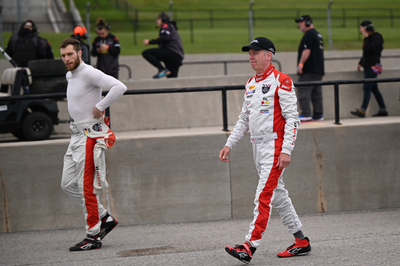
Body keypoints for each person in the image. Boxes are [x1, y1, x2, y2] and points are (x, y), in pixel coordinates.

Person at [219, 37, 310, 264]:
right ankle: (301, 241)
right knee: (278, 194)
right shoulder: (250, 83)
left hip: (275, 147)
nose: (251, 56)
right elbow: (244, 119)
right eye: (249, 53)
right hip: (256, 147)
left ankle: (249, 246)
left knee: (263, 196)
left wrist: (286, 150)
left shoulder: (283, 81)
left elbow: (292, 119)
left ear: (269, 55)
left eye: (255, 53)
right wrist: (229, 143)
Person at [60, 38, 127, 251]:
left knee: (85, 187)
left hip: (89, 134)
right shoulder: (70, 75)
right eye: (63, 55)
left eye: (70, 54)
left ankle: (93, 235)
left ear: (80, 54)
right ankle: (104, 218)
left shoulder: (89, 72)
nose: (66, 59)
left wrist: (101, 105)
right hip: (75, 134)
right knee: (68, 184)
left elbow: (119, 86)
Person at [351, 20, 387, 118]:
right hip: (368, 66)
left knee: (367, 87)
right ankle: (383, 109)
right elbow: (366, 53)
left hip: (373, 66)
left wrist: (367, 38)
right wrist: (360, 62)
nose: (360, 29)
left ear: (366, 28)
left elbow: (370, 49)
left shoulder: (376, 38)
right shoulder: (368, 39)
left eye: (361, 27)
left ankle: (362, 110)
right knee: (374, 89)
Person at [295, 15, 325, 122]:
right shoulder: (317, 34)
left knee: (303, 89)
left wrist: (301, 64)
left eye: (301, 22)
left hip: (309, 69)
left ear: (307, 22)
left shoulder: (309, 34)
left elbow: (306, 50)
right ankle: (318, 114)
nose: (299, 25)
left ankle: (306, 113)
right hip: (318, 70)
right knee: (316, 93)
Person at [142, 12, 184, 79]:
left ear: (163, 19)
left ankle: (162, 70)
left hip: (171, 53)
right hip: (177, 57)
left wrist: (150, 42)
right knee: (172, 79)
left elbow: (165, 38)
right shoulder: (171, 27)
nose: (156, 21)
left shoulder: (166, 25)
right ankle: (165, 71)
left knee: (146, 53)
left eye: (158, 19)